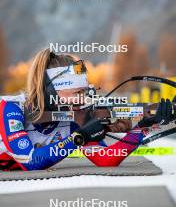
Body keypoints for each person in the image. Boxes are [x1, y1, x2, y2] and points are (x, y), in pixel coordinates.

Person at [0, 49, 175, 170]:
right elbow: (31, 161)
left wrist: (144, 127)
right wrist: (79, 137)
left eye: (84, 92)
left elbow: (106, 159)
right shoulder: (12, 108)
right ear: (49, 91)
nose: (83, 99)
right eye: (76, 93)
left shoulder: (75, 117)